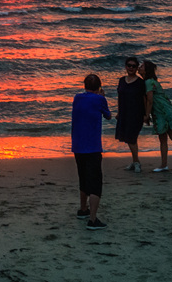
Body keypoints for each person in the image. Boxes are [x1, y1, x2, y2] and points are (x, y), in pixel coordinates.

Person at [71, 73, 112, 230]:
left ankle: (83, 209)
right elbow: (108, 115)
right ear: (99, 87)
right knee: (95, 182)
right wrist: (102, 97)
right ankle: (93, 219)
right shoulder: (100, 99)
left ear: (84, 86)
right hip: (92, 146)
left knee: (83, 177)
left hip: (78, 145)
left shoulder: (77, 98)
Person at [142, 60, 172, 174]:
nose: (139, 68)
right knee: (162, 138)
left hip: (164, 112)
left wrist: (146, 115)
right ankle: (164, 164)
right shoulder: (149, 81)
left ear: (146, 70)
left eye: (141, 66)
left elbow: (150, 100)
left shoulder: (148, 82)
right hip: (160, 112)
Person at [114, 57, 145, 173]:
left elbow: (145, 99)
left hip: (136, 113)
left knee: (132, 138)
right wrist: (118, 112)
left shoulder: (140, 82)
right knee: (128, 138)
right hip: (124, 113)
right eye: (129, 65)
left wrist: (146, 115)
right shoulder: (122, 80)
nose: (131, 68)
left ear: (137, 68)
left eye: (133, 66)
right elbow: (119, 97)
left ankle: (137, 163)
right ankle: (134, 161)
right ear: (126, 67)